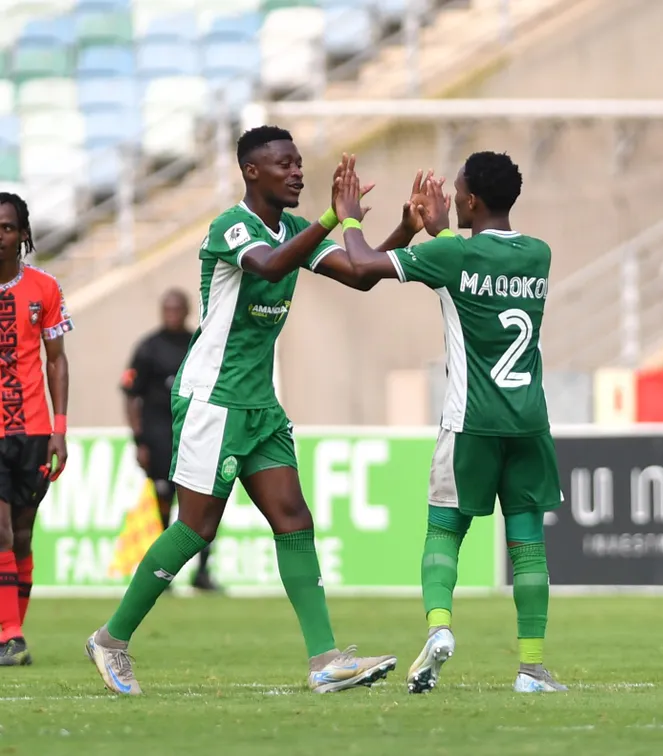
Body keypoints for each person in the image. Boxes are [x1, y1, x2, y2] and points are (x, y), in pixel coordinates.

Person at [86, 126, 431, 695]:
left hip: (259, 403)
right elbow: (268, 266)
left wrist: (405, 231)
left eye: (299, 163)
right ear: (252, 171)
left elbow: (360, 275)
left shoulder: (294, 230)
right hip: (213, 397)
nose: (297, 172)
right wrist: (333, 217)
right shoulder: (232, 226)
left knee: (294, 518)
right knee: (196, 528)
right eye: (284, 164)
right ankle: (110, 639)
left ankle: (324, 660)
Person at [333, 152, 567, 694]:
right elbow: (475, 269)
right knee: (528, 543)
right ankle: (532, 669)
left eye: (459, 192)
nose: (453, 198)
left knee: (444, 531)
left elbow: (363, 265)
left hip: (470, 422)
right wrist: (438, 231)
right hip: (529, 423)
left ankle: (439, 628)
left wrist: (350, 218)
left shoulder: (450, 254)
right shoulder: (539, 254)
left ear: (471, 201)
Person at [0, 192, 72, 666]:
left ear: (23, 234)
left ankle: (13, 635)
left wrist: (59, 429)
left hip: (33, 431)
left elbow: (57, 361)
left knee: (22, 536)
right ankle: (10, 634)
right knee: (1, 533)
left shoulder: (45, 288)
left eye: (7, 227)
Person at [121, 289, 218, 591]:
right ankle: (164, 573)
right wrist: (139, 440)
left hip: (195, 436)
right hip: (159, 437)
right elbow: (131, 394)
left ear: (187, 310)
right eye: (167, 309)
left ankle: (202, 572)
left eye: (177, 309)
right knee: (164, 502)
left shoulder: (199, 344)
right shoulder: (148, 347)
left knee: (204, 504)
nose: (172, 314)